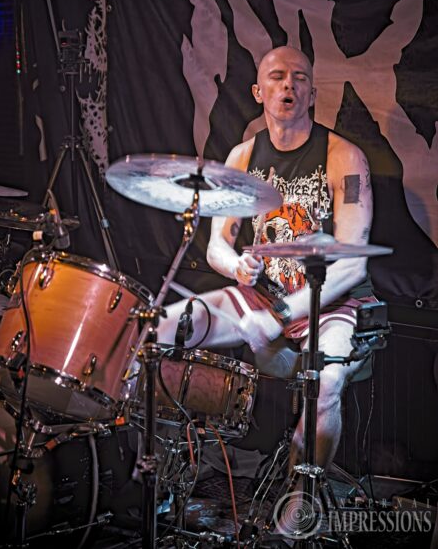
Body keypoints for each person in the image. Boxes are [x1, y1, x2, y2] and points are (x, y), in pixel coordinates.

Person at [157, 45, 375, 474]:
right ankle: (162, 473)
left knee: (326, 381)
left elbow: (353, 264)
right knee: (162, 329)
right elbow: (217, 246)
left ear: (312, 95)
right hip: (264, 296)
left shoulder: (343, 157)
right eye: (277, 76)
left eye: (300, 77)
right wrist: (236, 266)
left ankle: (300, 497)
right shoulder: (241, 157)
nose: (288, 84)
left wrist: (282, 314)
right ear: (258, 92)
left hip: (333, 304)